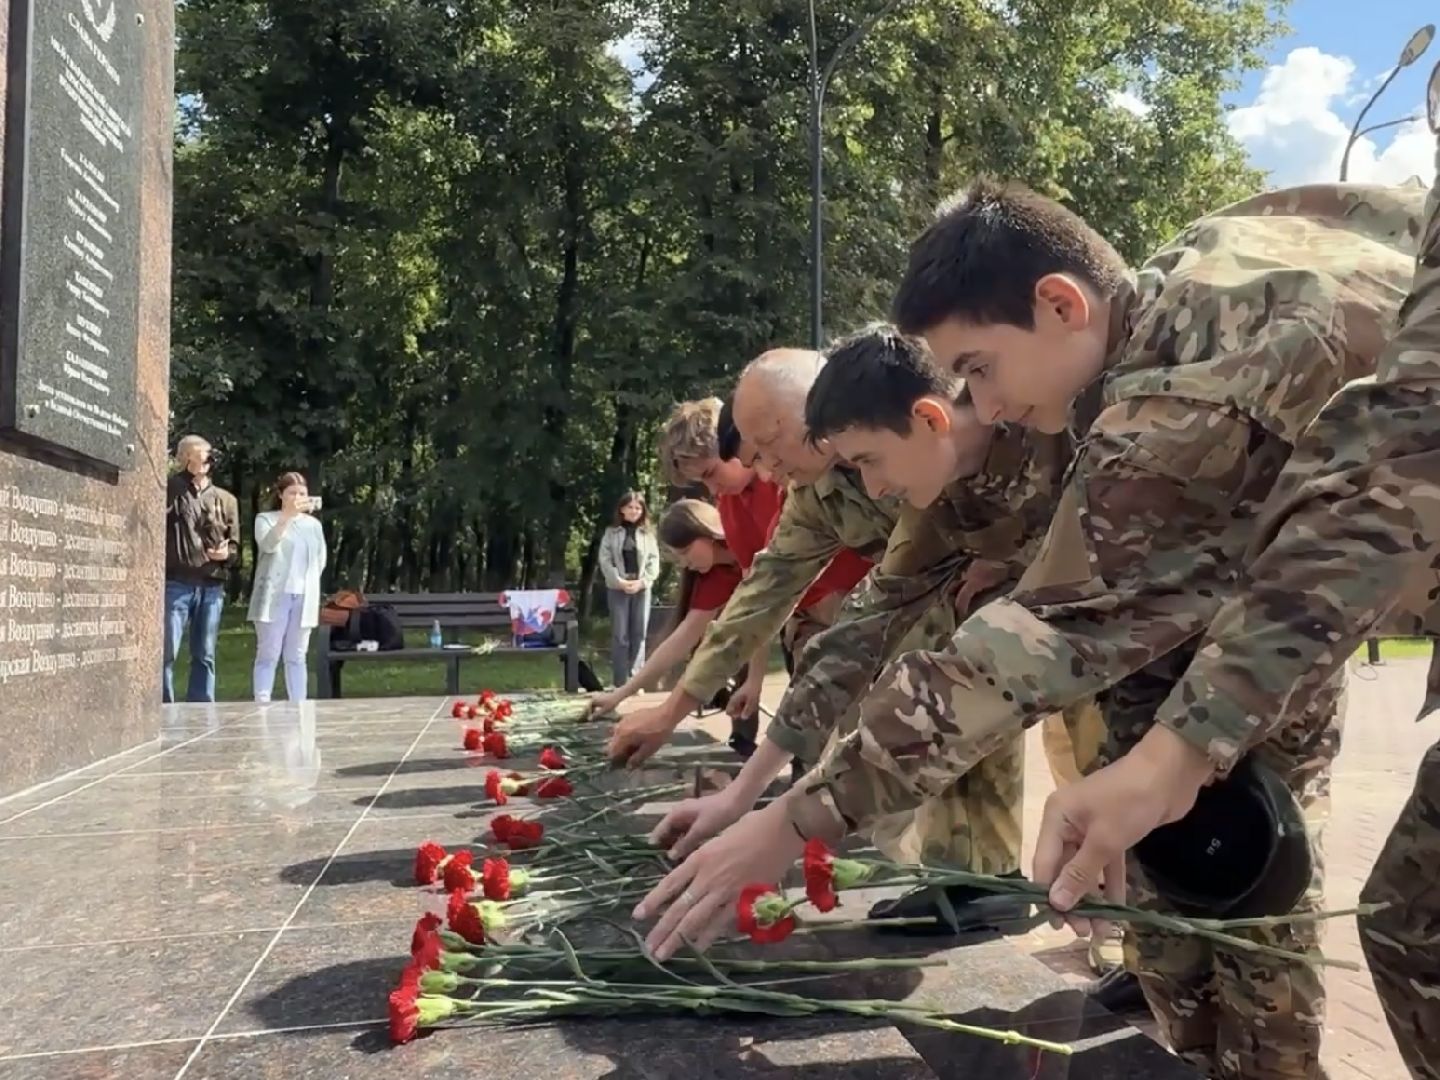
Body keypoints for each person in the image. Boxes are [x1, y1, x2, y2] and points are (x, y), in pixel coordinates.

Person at [634, 178, 1422, 1079]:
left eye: (976, 368)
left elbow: (1033, 640)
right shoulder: (1153, 310)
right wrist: (766, 799)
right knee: (1186, 914)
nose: (983, 403)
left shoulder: (1184, 397)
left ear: (1059, 304)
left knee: (1319, 914)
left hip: (1263, 647)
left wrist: (799, 820)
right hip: (1198, 643)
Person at [636, 346, 1054, 932]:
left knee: (1092, 751)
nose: (763, 473)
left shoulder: (995, 422)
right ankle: (965, 876)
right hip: (947, 621)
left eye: (767, 451)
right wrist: (744, 793)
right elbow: (835, 617)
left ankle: (1020, 891)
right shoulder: (826, 491)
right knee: (923, 703)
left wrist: (1005, 564)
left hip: (1059, 620)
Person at [589, 500, 745, 712]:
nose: (684, 563)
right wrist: (619, 695)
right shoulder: (713, 577)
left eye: (686, 551)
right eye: (677, 557)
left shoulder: (750, 538)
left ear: (707, 532)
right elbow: (680, 640)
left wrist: (754, 681)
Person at [164, 434, 239, 704]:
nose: (205, 460)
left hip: (211, 585)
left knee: (205, 653)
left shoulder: (226, 499)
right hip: (177, 583)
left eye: (207, 454)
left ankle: (201, 707)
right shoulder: (171, 489)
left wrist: (226, 554)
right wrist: (184, 478)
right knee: (167, 651)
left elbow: (235, 548)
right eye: (197, 455)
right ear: (185, 458)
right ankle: (162, 705)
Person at [248, 471, 328, 703]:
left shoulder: (312, 525)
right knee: (268, 653)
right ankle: (262, 703)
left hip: (303, 596)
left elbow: (320, 559)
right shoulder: (266, 519)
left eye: (302, 493)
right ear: (281, 495)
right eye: (292, 492)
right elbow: (268, 545)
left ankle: (299, 703)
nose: (297, 497)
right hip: (274, 596)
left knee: (297, 655)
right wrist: (285, 518)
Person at [599, 492, 661, 688]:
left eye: (638, 508)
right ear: (622, 509)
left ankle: (635, 681)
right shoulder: (611, 533)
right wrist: (619, 581)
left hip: (641, 588)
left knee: (639, 633)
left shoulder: (648, 534)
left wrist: (642, 582)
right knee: (620, 635)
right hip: (618, 588)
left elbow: (654, 561)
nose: (634, 511)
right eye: (631, 507)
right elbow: (605, 559)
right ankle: (620, 682)